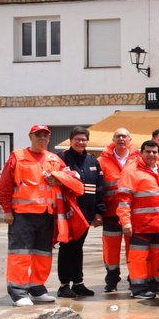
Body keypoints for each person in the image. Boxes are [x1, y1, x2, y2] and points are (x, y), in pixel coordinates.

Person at [0, 125, 86, 305]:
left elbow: (74, 182)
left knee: (42, 254)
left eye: (46, 136)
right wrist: (7, 210)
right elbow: (4, 186)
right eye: (38, 135)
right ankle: (18, 290)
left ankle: (37, 288)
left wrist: (59, 179)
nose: (42, 139)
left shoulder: (54, 159)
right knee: (20, 254)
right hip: (23, 214)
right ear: (31, 137)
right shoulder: (17, 157)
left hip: (47, 214)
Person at [117, 140, 159, 299]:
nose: (151, 155)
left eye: (154, 152)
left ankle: (154, 284)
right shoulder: (131, 171)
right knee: (138, 258)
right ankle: (138, 288)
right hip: (140, 225)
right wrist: (126, 221)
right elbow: (124, 200)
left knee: (157, 256)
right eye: (148, 152)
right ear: (141, 153)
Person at [57, 127, 103, 298]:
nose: (80, 142)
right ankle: (64, 285)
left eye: (83, 139)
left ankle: (78, 283)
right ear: (70, 140)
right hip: (68, 212)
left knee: (78, 248)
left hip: (86, 214)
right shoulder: (62, 158)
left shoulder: (92, 160)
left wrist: (99, 212)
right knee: (67, 247)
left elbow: (100, 187)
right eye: (77, 139)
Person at [99, 127, 137, 292]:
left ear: (130, 140)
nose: (121, 139)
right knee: (110, 249)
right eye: (118, 136)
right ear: (113, 140)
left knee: (133, 249)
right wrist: (98, 212)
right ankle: (112, 279)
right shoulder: (102, 161)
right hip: (110, 213)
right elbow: (98, 189)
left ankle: (133, 278)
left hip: (132, 213)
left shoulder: (137, 160)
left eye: (124, 136)